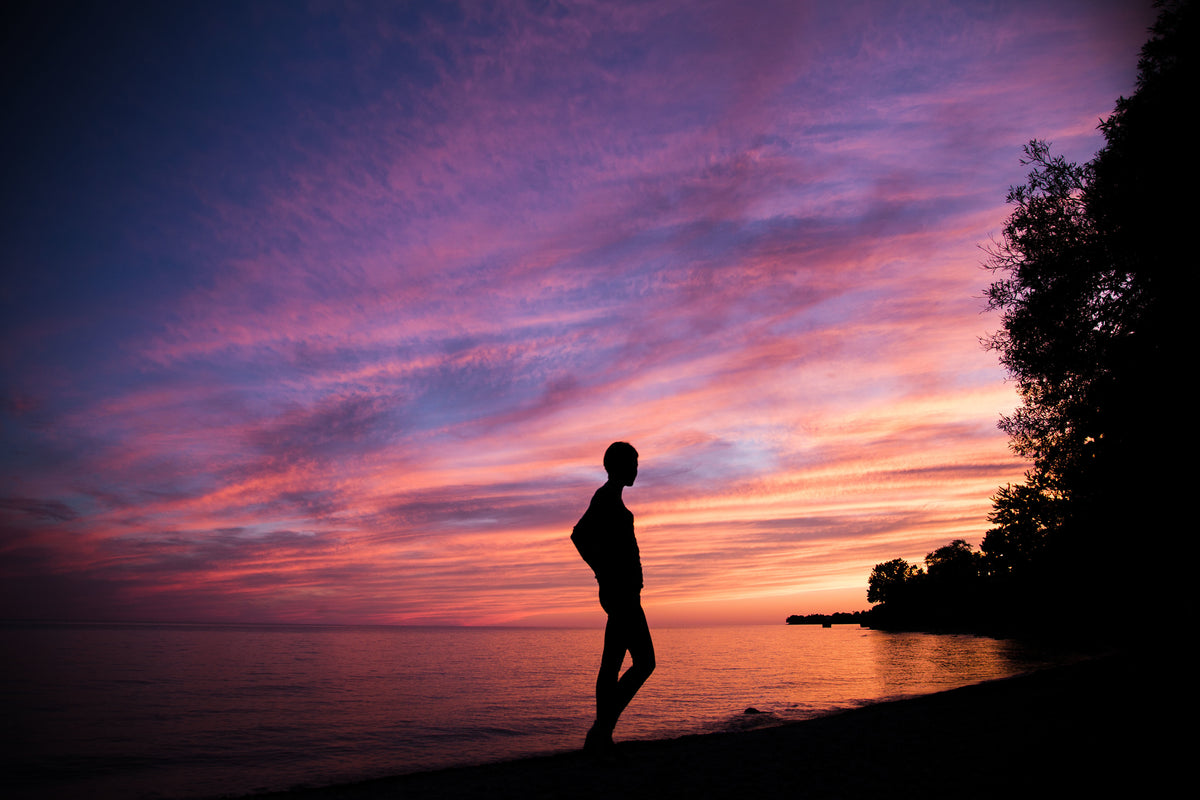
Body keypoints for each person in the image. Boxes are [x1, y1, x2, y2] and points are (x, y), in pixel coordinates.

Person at [571, 441, 655, 752]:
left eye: (637, 462)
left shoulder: (614, 501)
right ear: (617, 465)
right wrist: (602, 570)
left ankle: (602, 734)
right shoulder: (605, 498)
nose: (636, 468)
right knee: (644, 662)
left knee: (613, 663)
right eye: (632, 463)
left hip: (625, 592)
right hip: (620, 593)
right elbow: (579, 535)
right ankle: (601, 728)